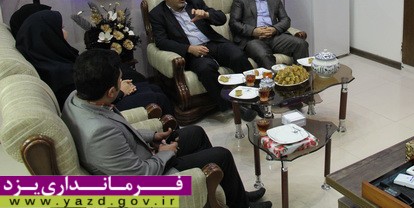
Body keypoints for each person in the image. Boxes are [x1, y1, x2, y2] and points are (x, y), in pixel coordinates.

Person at [61, 49, 271, 208]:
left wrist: (152, 136)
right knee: (221, 156)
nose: (122, 81)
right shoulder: (99, 133)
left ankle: (235, 196)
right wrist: (164, 153)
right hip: (150, 179)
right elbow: (140, 177)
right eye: (119, 80)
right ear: (110, 92)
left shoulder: (77, 98)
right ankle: (239, 204)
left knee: (196, 133)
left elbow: (120, 132)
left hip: (139, 156)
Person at [14, 8, 173, 115]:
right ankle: (173, 140)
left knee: (152, 88)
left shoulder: (52, 59)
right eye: (61, 28)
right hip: (99, 111)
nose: (66, 32)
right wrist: (119, 92)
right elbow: (85, 103)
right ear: (49, 36)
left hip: (103, 101)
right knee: (157, 97)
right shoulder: (56, 74)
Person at [148, 0, 257, 120]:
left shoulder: (194, 1)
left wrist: (206, 15)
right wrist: (188, 48)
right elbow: (161, 42)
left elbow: (222, 19)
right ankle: (233, 106)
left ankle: (255, 96)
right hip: (193, 52)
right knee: (205, 69)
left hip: (213, 42)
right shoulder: (157, 14)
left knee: (237, 55)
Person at [229, 0, 309, 70]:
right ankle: (277, 80)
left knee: (301, 44)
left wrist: (274, 29)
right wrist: (253, 31)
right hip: (253, 39)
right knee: (264, 55)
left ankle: (302, 77)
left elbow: (286, 20)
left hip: (274, 37)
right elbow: (233, 22)